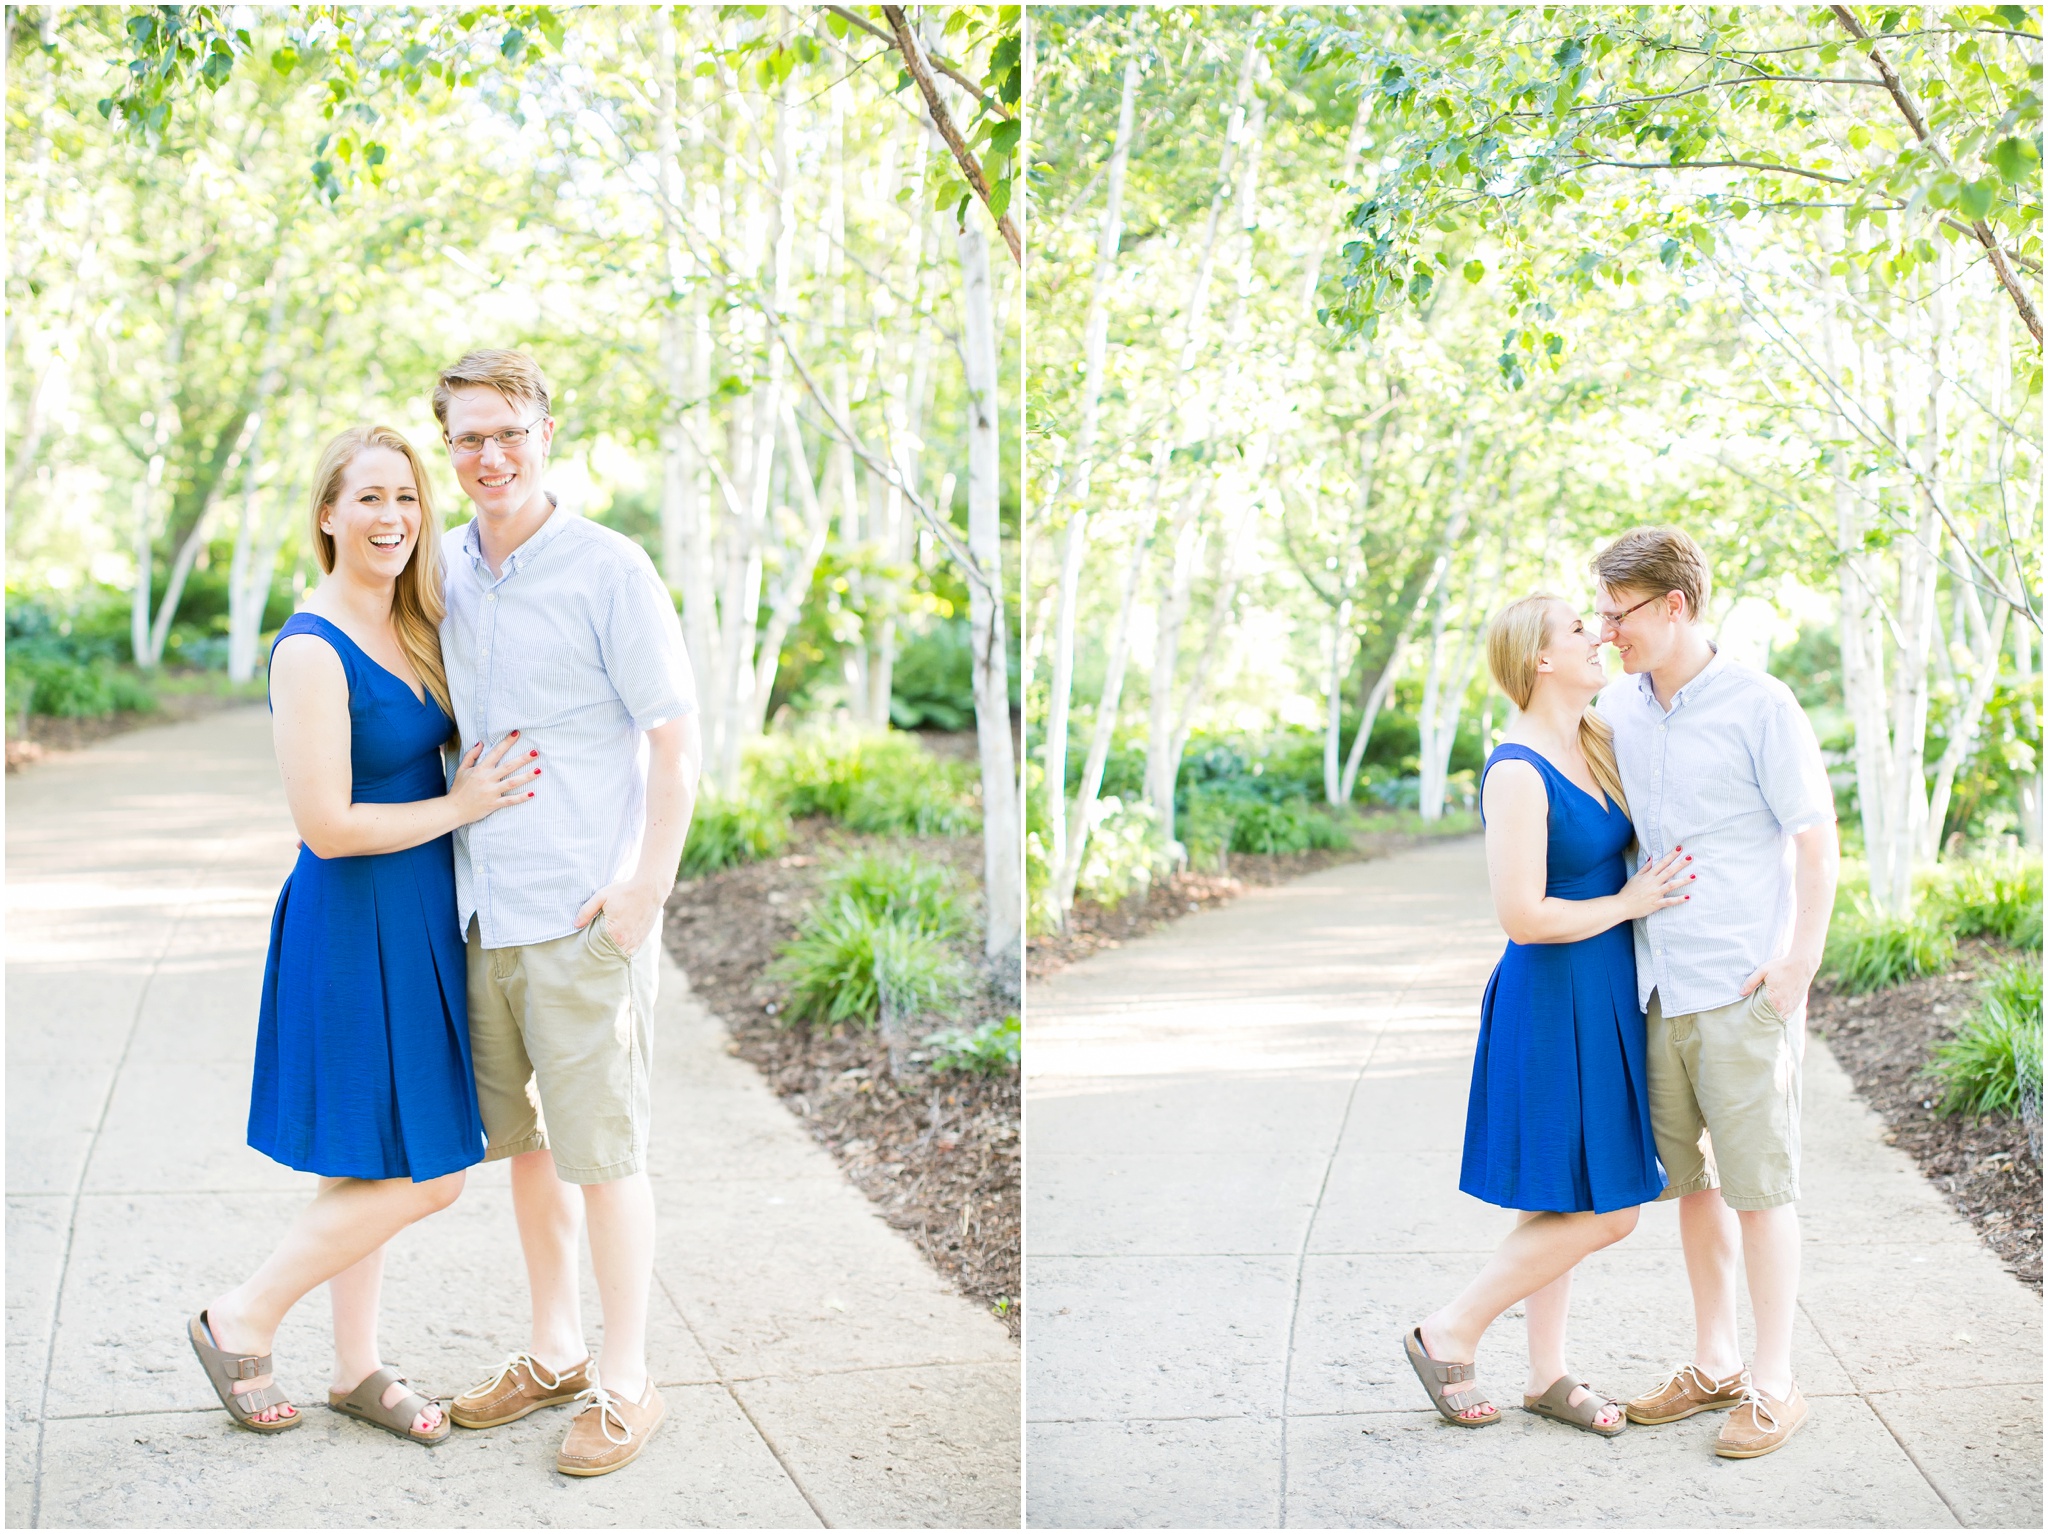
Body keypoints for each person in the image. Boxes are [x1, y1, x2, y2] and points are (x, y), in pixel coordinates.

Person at [189, 425, 540, 1443]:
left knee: (369, 1158)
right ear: (329, 514)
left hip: (421, 914)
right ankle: (241, 1314)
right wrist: (462, 806)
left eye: (408, 498)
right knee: (431, 1171)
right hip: (350, 921)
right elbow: (327, 827)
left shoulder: (415, 620)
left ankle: (356, 1368)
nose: (393, 518)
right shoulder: (309, 646)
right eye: (371, 499)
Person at [431, 350, 701, 1478]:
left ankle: (627, 1380)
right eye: (466, 437)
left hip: (582, 910)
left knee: (603, 1153)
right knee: (528, 1153)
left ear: (549, 429)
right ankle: (553, 1350)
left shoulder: (608, 569)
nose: (489, 455)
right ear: (445, 447)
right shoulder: (437, 567)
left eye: (509, 431)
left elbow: (676, 741)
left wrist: (644, 888)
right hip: (481, 911)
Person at [1405, 593, 1690, 1435]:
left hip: (1602, 991)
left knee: (1565, 1198)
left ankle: (1547, 1376)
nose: (1598, 636)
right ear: (1538, 658)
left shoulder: (1594, 740)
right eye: (1579, 629)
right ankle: (1448, 1329)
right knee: (1613, 1209)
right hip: (1549, 995)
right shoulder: (1519, 769)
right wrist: (1632, 899)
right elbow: (1522, 916)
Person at [1594, 528, 1838, 1460]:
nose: (1610, 629)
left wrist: (1796, 968)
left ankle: (1775, 1385)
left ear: (1674, 606)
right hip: (1659, 986)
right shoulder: (1619, 704)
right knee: (1692, 1188)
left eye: (1621, 613)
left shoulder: (1760, 705)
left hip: (1742, 985)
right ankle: (1716, 1362)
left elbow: (1816, 843)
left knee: (1760, 1190)